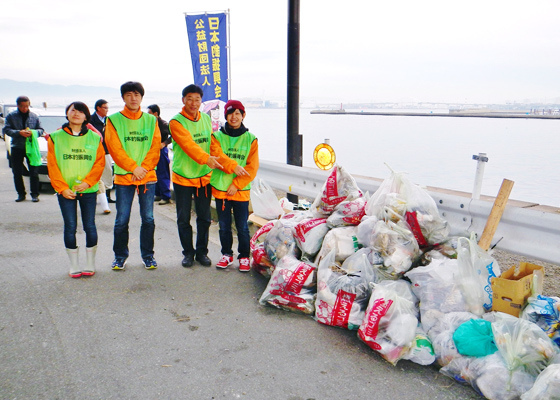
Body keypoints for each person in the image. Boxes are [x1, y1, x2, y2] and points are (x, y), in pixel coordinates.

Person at [105, 81, 161, 271]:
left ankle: (148, 256)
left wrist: (142, 168)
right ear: (123, 98)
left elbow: (155, 147)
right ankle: (120, 256)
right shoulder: (113, 120)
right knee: (122, 219)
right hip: (124, 178)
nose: (133, 98)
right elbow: (114, 148)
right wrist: (132, 168)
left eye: (137, 95)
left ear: (142, 97)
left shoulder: (151, 120)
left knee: (148, 219)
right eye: (129, 95)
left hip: (147, 177)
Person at [47, 102, 105, 278]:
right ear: (67, 113)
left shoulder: (95, 138)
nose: (76, 114)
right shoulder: (55, 137)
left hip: (88, 190)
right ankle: (73, 265)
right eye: (73, 110)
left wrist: (88, 183)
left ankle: (90, 263)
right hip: (66, 192)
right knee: (70, 226)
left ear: (86, 117)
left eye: (81, 112)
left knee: (90, 226)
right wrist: (62, 188)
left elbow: (99, 163)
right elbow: (53, 165)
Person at [168, 84, 222, 268]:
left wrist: (220, 160)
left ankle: (202, 252)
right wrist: (206, 158)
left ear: (201, 101)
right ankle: (188, 253)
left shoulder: (206, 118)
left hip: (204, 177)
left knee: (204, 217)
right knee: (184, 218)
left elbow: (212, 142)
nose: (193, 103)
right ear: (183, 100)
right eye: (189, 98)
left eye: (197, 99)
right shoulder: (176, 122)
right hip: (183, 177)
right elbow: (188, 145)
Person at [210, 100, 258, 271]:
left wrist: (236, 184)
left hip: (240, 190)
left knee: (242, 226)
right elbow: (217, 155)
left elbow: (252, 168)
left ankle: (244, 256)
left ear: (243, 115)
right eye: (231, 113)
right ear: (226, 116)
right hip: (222, 189)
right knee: (223, 225)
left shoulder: (251, 139)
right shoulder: (216, 136)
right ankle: (226, 254)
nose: (234, 116)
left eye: (238, 113)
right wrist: (234, 167)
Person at [2, 96, 44, 202]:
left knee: (34, 171)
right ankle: (21, 194)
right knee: (17, 172)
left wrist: (33, 133)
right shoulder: (11, 116)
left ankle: (35, 194)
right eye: (22, 106)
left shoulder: (34, 116)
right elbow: (6, 130)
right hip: (17, 146)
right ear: (18, 105)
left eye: (26, 106)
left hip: (31, 147)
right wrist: (18, 133)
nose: (25, 108)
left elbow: (41, 130)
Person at [90, 99, 113, 213]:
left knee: (108, 171)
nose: (106, 110)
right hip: (94, 151)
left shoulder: (109, 120)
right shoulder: (90, 120)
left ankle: (107, 196)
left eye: (107, 108)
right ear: (98, 108)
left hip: (107, 150)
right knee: (95, 174)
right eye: (105, 108)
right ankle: (94, 195)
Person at [147, 104, 172, 205]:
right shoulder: (149, 123)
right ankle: (158, 194)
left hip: (161, 151)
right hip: (152, 151)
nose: (147, 115)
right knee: (154, 172)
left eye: (149, 113)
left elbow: (173, 135)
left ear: (155, 113)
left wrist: (164, 143)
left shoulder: (163, 123)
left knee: (163, 173)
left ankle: (166, 196)